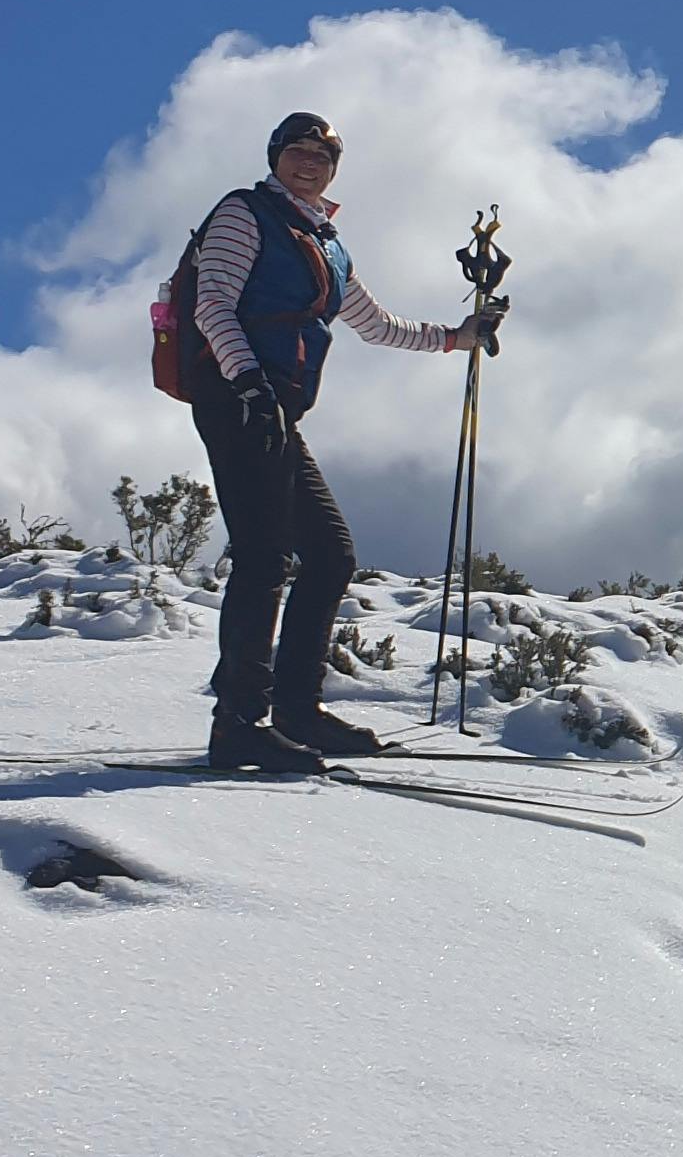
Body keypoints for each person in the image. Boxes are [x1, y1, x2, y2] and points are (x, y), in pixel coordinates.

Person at [184, 111, 504, 772]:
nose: (309, 164)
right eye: (297, 152)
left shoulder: (327, 242)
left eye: (321, 157)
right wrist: (248, 382)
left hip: (275, 409)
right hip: (239, 399)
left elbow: (374, 323)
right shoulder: (244, 214)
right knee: (264, 559)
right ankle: (238, 725)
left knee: (329, 556)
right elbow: (212, 303)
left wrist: (456, 338)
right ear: (275, 158)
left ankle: (297, 712)